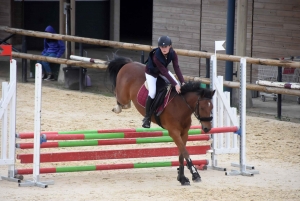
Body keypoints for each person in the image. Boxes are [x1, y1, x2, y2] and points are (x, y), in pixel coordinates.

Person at [142, 35, 185, 128]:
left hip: (162, 71)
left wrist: (182, 82)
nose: (164, 49)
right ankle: (147, 118)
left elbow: (176, 68)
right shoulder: (156, 56)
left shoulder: (173, 53)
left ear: (170, 46)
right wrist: (175, 84)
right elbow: (165, 72)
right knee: (152, 92)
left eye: (166, 47)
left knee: (178, 84)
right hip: (151, 73)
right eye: (161, 47)